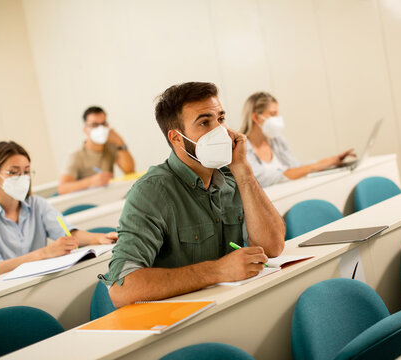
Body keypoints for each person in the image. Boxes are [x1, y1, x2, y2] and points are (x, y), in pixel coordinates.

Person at [103, 82, 285, 308]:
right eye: (204, 122)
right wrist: (217, 271)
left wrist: (243, 169)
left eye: (220, 119)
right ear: (176, 138)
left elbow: (273, 247)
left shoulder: (232, 175)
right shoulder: (151, 192)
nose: (220, 130)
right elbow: (122, 289)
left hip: (232, 306)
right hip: (180, 320)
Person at [0, 141, 118, 280]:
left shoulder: (37, 204)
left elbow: (68, 233)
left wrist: (98, 238)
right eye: (13, 172)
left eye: (26, 172)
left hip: (39, 281)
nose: (22, 177)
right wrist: (45, 253)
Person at [240, 92, 356, 187]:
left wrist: (329, 163)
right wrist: (316, 166)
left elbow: (296, 168)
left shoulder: (277, 140)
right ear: (255, 117)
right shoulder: (242, 149)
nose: (277, 119)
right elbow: (265, 179)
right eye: (272, 114)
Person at [58, 106, 135, 194]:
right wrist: (90, 182)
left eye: (103, 124)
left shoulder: (111, 148)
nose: (101, 129)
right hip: (86, 202)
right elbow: (62, 189)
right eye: (95, 125)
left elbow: (130, 171)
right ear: (85, 130)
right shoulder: (76, 155)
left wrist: (120, 143)